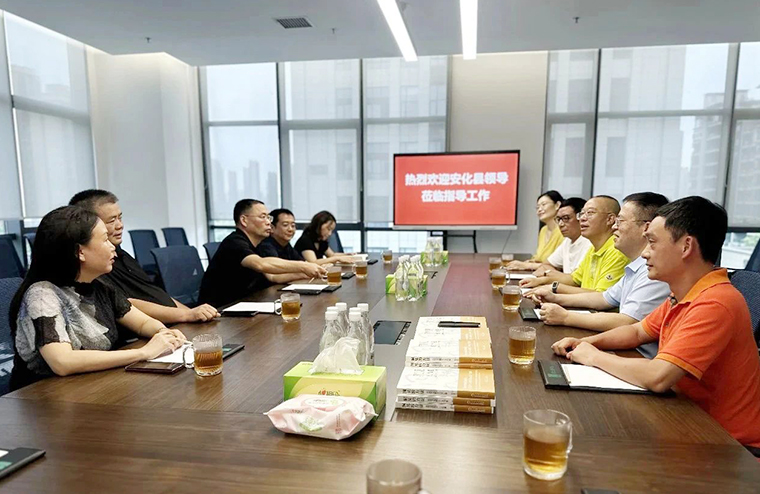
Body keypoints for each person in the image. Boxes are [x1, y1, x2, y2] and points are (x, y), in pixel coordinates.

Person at [551, 197, 760, 453]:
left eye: (652, 242)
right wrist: (585, 343)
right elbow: (638, 331)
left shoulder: (716, 302)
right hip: (687, 416)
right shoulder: (683, 294)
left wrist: (593, 356)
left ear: (686, 246)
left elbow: (658, 377)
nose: (645, 253)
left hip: (727, 445)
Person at [9, 206, 186, 391]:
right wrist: (143, 353)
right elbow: (63, 362)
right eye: (105, 240)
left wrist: (163, 333)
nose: (112, 247)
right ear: (80, 252)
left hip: (92, 386)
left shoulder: (99, 284)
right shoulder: (42, 295)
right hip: (46, 396)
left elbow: (142, 323)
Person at [69, 190, 219, 324]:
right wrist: (187, 315)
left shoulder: (121, 254)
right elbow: (126, 305)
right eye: (111, 221)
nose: (120, 225)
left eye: (120, 218)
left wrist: (193, 314)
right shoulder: (95, 265)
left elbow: (155, 293)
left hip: (171, 324)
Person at [531, 193, 670, 332]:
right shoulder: (636, 265)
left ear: (647, 228)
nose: (614, 227)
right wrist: (555, 298)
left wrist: (565, 317)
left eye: (620, 221)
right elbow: (604, 298)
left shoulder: (655, 270)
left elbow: (629, 321)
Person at [198, 199, 325, 308]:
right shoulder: (235, 242)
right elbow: (260, 264)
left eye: (269, 218)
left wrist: (310, 271)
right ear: (244, 220)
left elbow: (273, 276)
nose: (268, 222)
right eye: (263, 217)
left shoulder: (257, 244)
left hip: (247, 303)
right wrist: (303, 266)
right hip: (220, 311)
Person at [520, 195, 629, 293]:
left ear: (610, 219)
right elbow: (574, 279)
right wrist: (541, 281)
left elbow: (602, 297)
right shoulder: (594, 248)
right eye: (582, 214)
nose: (582, 218)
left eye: (590, 213)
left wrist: (553, 288)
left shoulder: (617, 250)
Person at [260, 209, 354, 264]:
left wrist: (350, 255)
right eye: (285, 225)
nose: (290, 229)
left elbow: (302, 264)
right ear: (272, 228)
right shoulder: (267, 246)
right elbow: (310, 263)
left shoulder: (286, 246)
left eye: (293, 225)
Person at [532, 197, 592, 275]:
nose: (561, 224)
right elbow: (546, 265)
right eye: (558, 219)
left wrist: (553, 276)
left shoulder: (590, 242)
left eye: (566, 218)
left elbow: (576, 279)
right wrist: (555, 275)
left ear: (581, 217)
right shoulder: (567, 241)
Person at [506, 191, 564, 270]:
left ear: (557, 205)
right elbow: (539, 258)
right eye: (537, 207)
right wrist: (528, 262)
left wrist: (527, 265)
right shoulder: (543, 230)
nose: (539, 209)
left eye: (544, 204)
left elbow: (558, 265)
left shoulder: (564, 230)